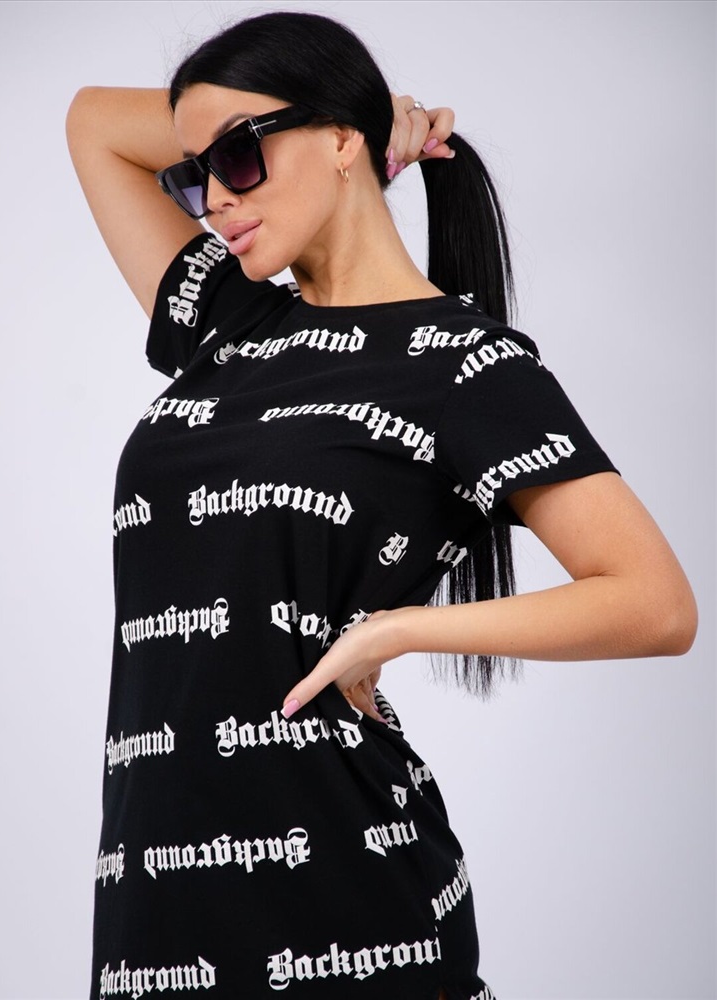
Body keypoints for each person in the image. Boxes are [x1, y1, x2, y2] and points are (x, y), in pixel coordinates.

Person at [66, 10, 697, 1000]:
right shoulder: (226, 317)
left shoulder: (465, 364)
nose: (214, 201)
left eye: (238, 158)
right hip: (155, 903)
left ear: (338, 142)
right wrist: (362, 111)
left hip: (348, 901)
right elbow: (93, 123)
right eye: (194, 176)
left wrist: (398, 630)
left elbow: (657, 604)